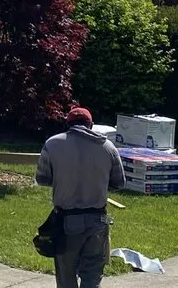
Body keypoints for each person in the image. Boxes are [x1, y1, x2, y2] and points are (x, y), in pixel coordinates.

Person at [36, 107, 126, 288]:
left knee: (66, 277)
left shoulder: (52, 144)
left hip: (66, 223)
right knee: (92, 276)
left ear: (67, 124)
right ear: (91, 125)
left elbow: (42, 178)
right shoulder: (108, 147)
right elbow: (119, 182)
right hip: (98, 221)